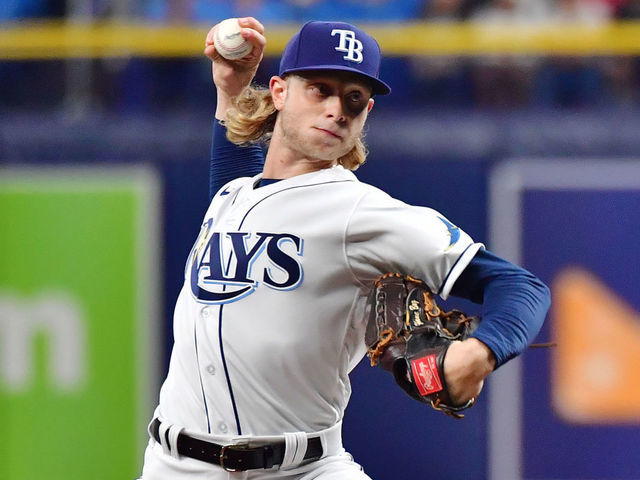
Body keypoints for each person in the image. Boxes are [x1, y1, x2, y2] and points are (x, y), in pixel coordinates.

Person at [139, 18, 551, 479]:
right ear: (278, 92)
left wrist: (479, 352)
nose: (337, 109)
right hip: (173, 464)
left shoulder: (359, 212)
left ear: (366, 113)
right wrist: (232, 89)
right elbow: (242, 183)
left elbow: (521, 286)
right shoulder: (233, 196)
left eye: (354, 99)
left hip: (303, 469)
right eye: (320, 89)